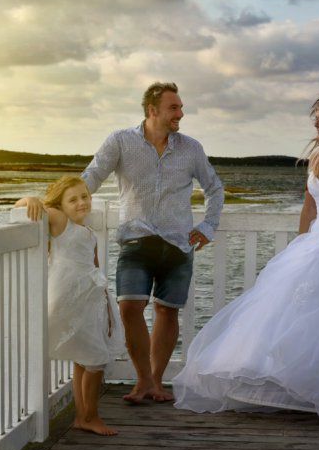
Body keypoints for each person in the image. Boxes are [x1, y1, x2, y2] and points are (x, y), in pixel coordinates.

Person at [172, 87, 319, 424]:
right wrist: (300, 243)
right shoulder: (318, 155)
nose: (317, 125)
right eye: (317, 119)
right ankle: (299, 385)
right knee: (295, 311)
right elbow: (311, 204)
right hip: (318, 239)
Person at [24, 82, 225, 404]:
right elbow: (90, 177)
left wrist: (208, 225)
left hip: (178, 244)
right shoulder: (120, 141)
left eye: (181, 108)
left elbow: (214, 188)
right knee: (129, 307)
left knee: (168, 311)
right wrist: (53, 205)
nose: (181, 114)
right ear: (152, 110)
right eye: (175, 108)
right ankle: (143, 380)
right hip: (135, 242)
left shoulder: (191, 148)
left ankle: (156, 383)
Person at [15, 176, 125, 436]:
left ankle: (82, 416)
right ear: (60, 205)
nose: (81, 203)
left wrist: (107, 306)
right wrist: (30, 199)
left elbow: (95, 269)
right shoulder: (60, 221)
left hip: (88, 302)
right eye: (73, 199)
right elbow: (21, 207)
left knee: (84, 359)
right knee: (96, 359)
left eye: (85, 196)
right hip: (66, 300)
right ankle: (91, 416)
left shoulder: (88, 233)